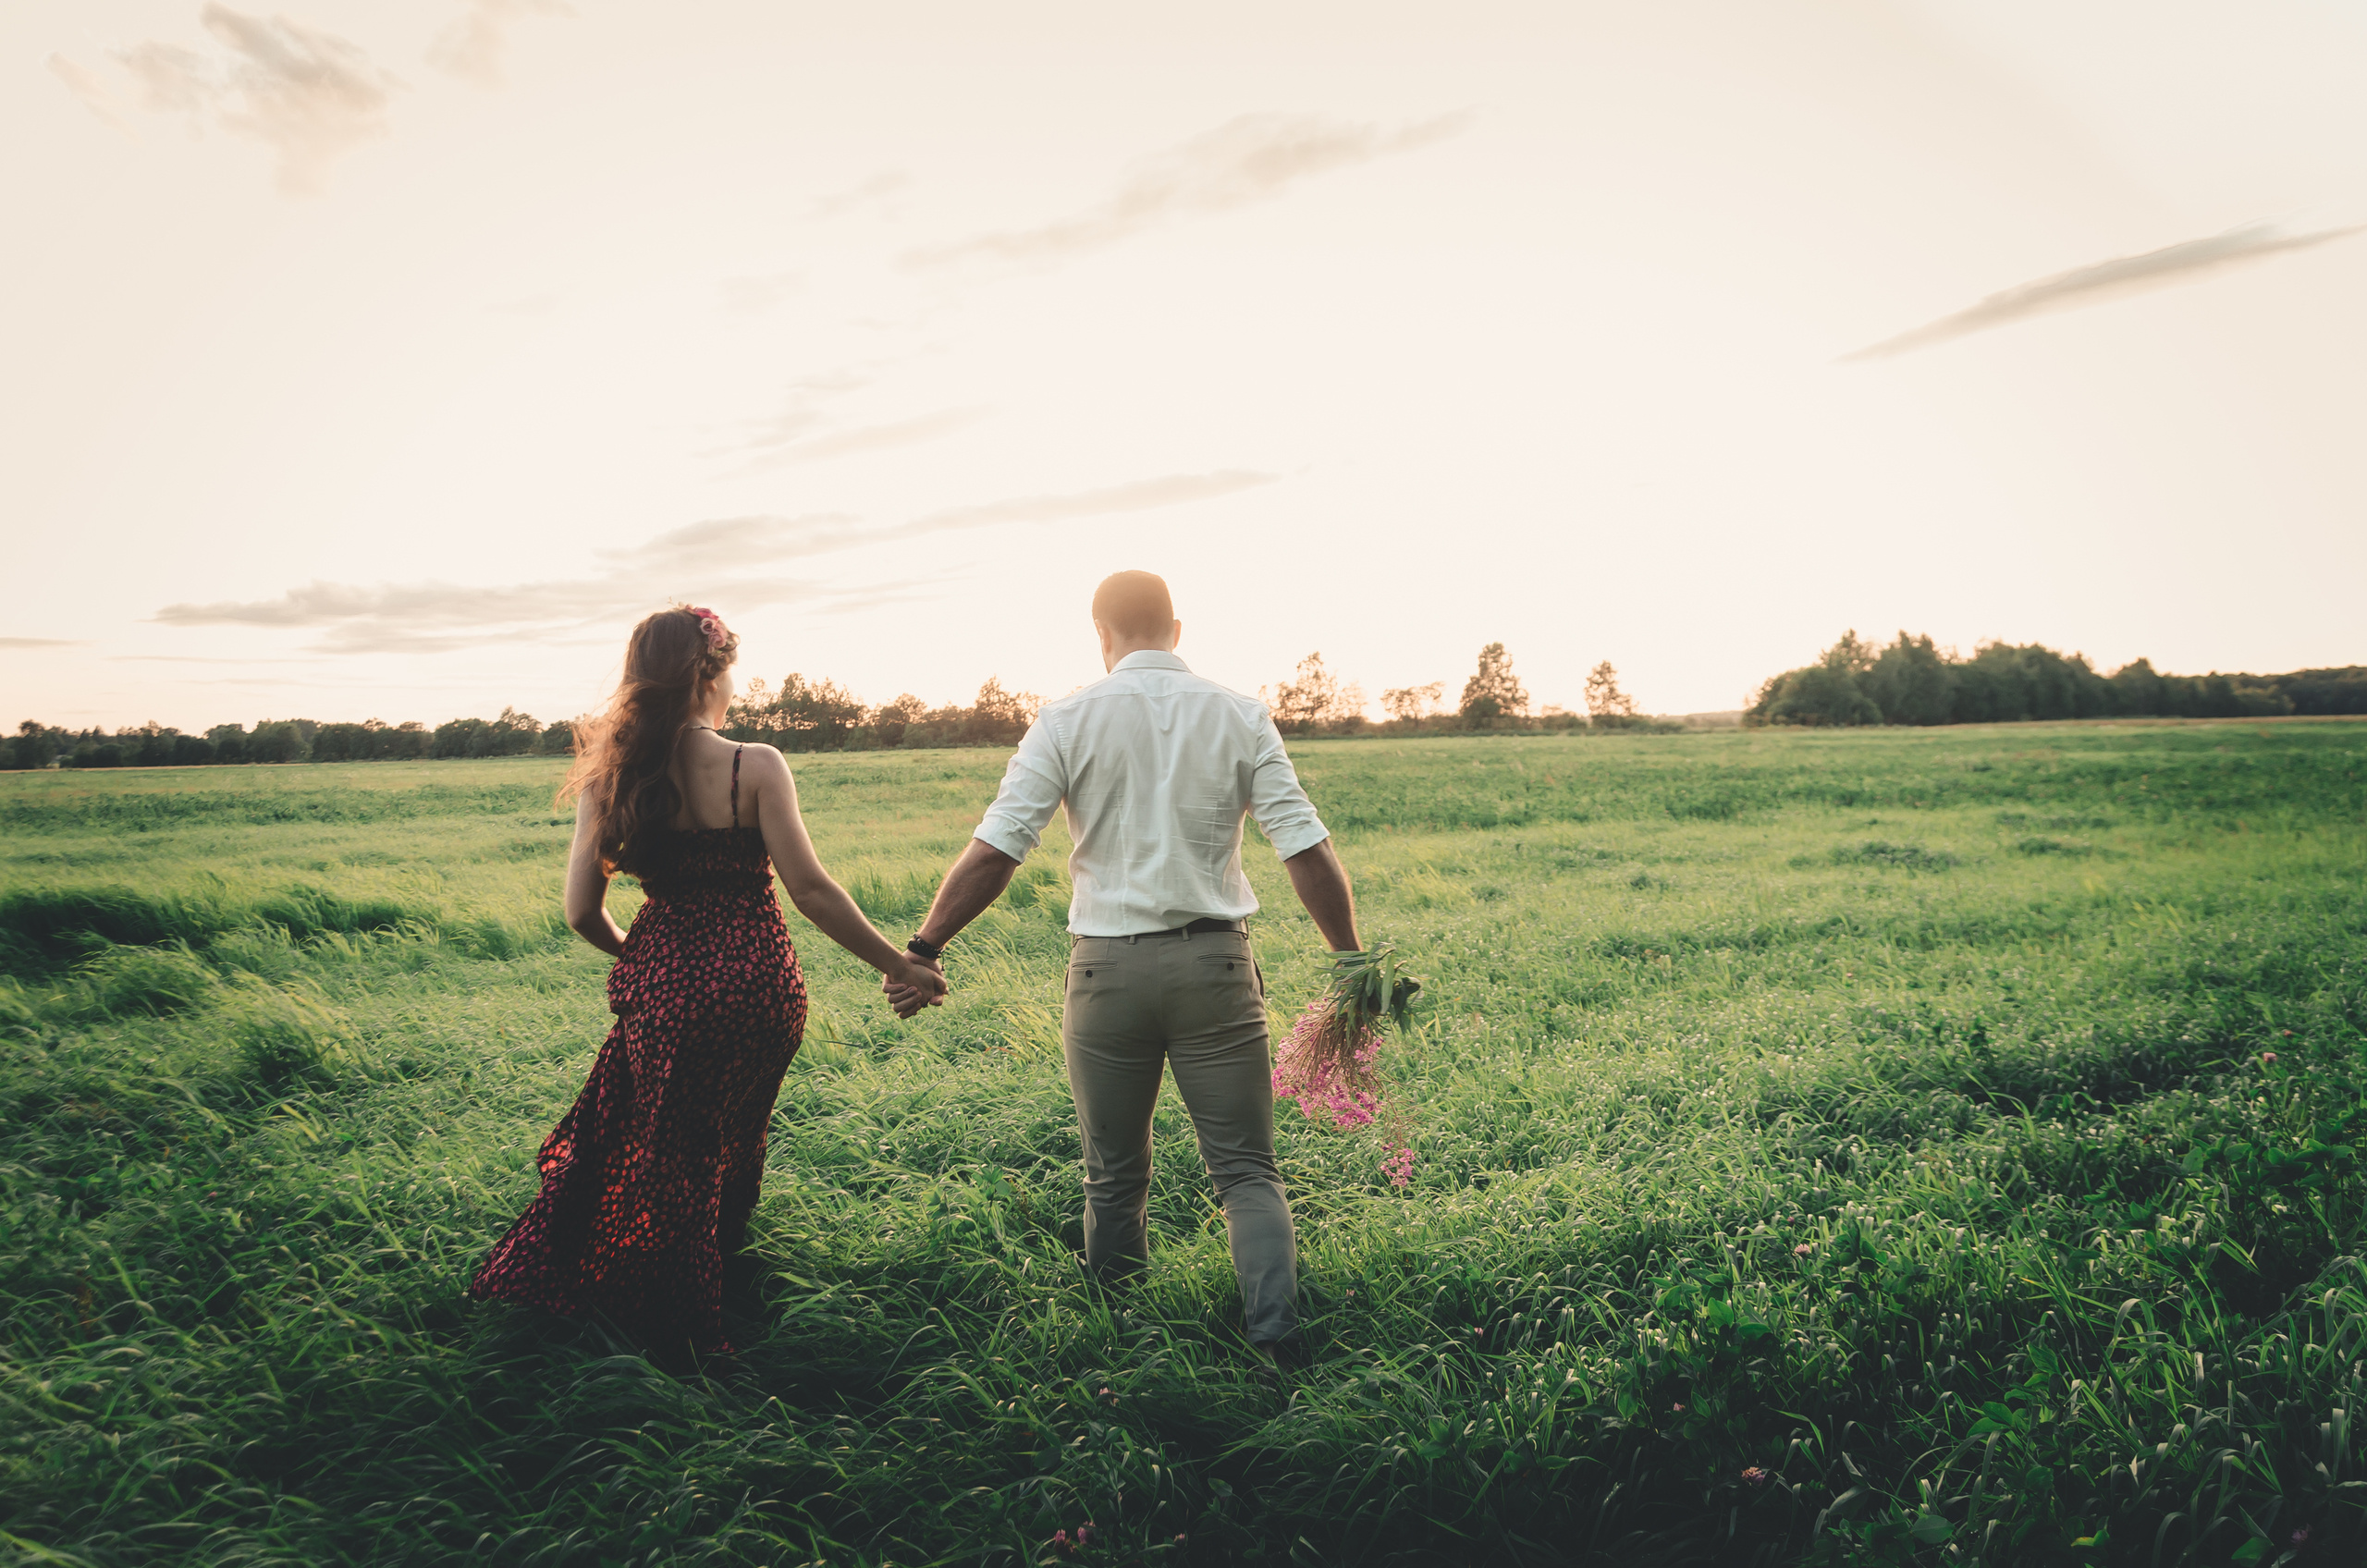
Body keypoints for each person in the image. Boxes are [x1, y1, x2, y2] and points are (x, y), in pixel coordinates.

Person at [888, 570, 1360, 1364]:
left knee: (1112, 1175)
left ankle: (1122, 1347)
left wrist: (924, 948)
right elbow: (1303, 845)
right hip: (1216, 967)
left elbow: (999, 847)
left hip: (1104, 975)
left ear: (1100, 635)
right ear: (1176, 629)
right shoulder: (1241, 714)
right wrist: (1350, 962)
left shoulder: (1065, 719)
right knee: (1247, 1172)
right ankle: (1277, 1342)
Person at [470, 605, 946, 1354]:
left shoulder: (611, 777)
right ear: (710, 675)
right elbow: (810, 890)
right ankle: (712, 1270)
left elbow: (581, 913)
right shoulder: (755, 764)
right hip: (763, 990)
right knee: (734, 1138)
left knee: (669, 1151)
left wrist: (648, 964)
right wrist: (899, 964)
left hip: (669, 993)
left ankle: (667, 1311)